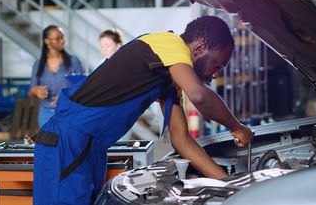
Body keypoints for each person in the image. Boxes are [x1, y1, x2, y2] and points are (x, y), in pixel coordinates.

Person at [33, 16, 253, 205]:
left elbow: (182, 140)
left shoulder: (168, 77)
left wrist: (229, 184)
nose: (216, 75)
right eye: (218, 65)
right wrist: (236, 127)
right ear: (198, 49)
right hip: (66, 142)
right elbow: (199, 95)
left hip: (89, 147)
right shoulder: (167, 44)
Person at [28, 25, 83, 127]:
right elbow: (31, 91)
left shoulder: (73, 61)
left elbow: (83, 88)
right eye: (58, 38)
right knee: (47, 142)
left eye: (62, 37)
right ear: (47, 41)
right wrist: (36, 90)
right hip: (45, 113)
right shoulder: (38, 63)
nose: (62, 41)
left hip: (68, 112)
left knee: (67, 142)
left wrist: (65, 98)